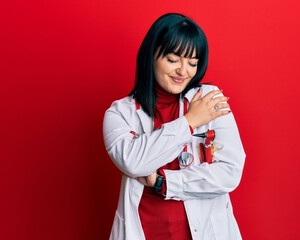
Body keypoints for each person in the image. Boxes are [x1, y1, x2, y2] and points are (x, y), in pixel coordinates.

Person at [103, 13, 246, 240]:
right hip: (144, 230)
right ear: (151, 56)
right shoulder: (120, 113)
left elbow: (229, 172)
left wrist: (164, 182)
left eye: (192, 63)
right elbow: (134, 162)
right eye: (172, 60)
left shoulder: (210, 100)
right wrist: (189, 122)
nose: (183, 71)